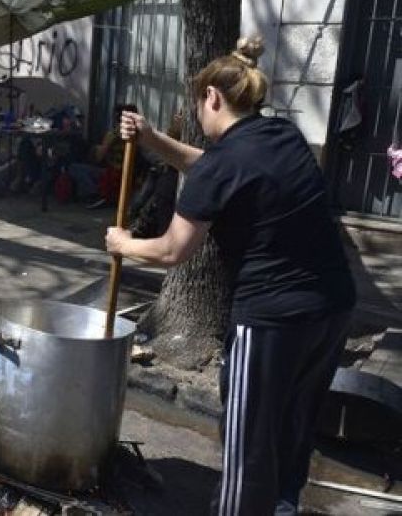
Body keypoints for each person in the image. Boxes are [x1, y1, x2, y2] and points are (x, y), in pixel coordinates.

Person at [105, 36, 355, 516]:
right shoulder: (281, 136)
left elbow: (174, 249)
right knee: (291, 427)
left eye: (198, 103)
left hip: (271, 321)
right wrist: (154, 139)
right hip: (331, 310)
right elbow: (212, 170)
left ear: (212, 98)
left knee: (248, 445)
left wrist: (124, 244)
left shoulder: (225, 163)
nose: (198, 114)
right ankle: (282, 508)